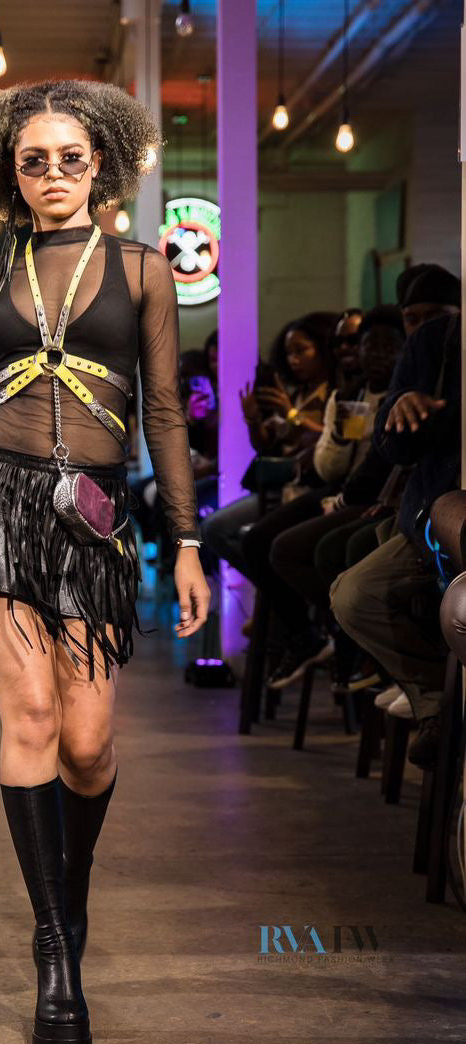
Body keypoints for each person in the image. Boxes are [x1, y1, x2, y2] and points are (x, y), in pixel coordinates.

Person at [0, 79, 208, 1044]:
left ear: (99, 165)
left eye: (70, 157)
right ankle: (55, 954)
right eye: (33, 161)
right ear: (10, 175)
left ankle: (68, 901)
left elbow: (165, 411)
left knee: (88, 740)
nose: (53, 174)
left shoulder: (143, 268)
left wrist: (188, 541)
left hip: (96, 520)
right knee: (30, 717)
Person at [331, 310, 461, 768]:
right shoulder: (437, 341)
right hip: (431, 513)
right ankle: (435, 696)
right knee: (351, 590)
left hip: (427, 512)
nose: (364, 352)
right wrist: (401, 409)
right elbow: (374, 458)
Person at [265, 306, 405, 688]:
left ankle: (345, 635)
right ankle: (312, 635)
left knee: (303, 548)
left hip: (366, 499)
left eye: (355, 341)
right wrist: (340, 437)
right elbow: (329, 468)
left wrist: (293, 420)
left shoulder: (401, 393)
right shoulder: (348, 394)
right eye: (349, 343)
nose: (358, 350)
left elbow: (378, 469)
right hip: (338, 490)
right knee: (257, 540)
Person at [201, 312, 335, 578]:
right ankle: (272, 586)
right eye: (289, 353)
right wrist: (252, 419)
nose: (293, 360)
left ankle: (276, 589)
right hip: (282, 487)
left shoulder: (332, 392)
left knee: (222, 530)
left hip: (312, 485)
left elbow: (328, 439)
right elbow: (265, 445)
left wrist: (291, 415)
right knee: (214, 529)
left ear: (322, 349)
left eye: (301, 350)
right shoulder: (298, 392)